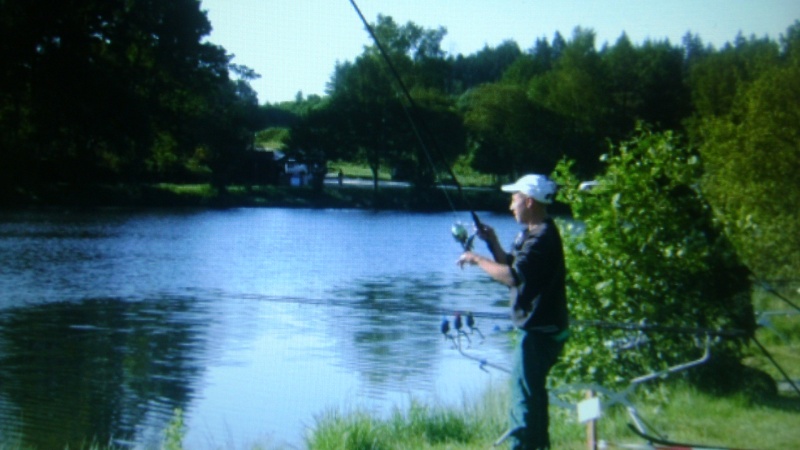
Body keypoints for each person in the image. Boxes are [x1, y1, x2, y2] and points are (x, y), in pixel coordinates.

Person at [457, 174, 569, 450]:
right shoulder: (534, 232)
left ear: (529, 201)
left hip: (538, 333)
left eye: (514, 199)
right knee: (533, 398)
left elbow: (512, 277)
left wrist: (475, 258)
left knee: (522, 402)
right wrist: (492, 242)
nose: (510, 205)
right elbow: (512, 267)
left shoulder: (542, 238)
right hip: (542, 329)